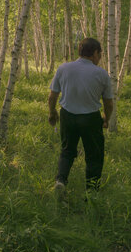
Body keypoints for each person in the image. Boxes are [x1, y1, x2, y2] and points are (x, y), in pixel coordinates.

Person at [48, 38, 114, 199]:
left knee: (66, 151)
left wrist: (52, 112)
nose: (100, 58)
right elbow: (108, 102)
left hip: (67, 116)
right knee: (94, 155)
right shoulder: (101, 74)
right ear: (95, 53)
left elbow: (53, 95)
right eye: (100, 54)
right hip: (90, 119)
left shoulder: (63, 68)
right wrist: (106, 118)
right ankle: (91, 191)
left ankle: (61, 181)